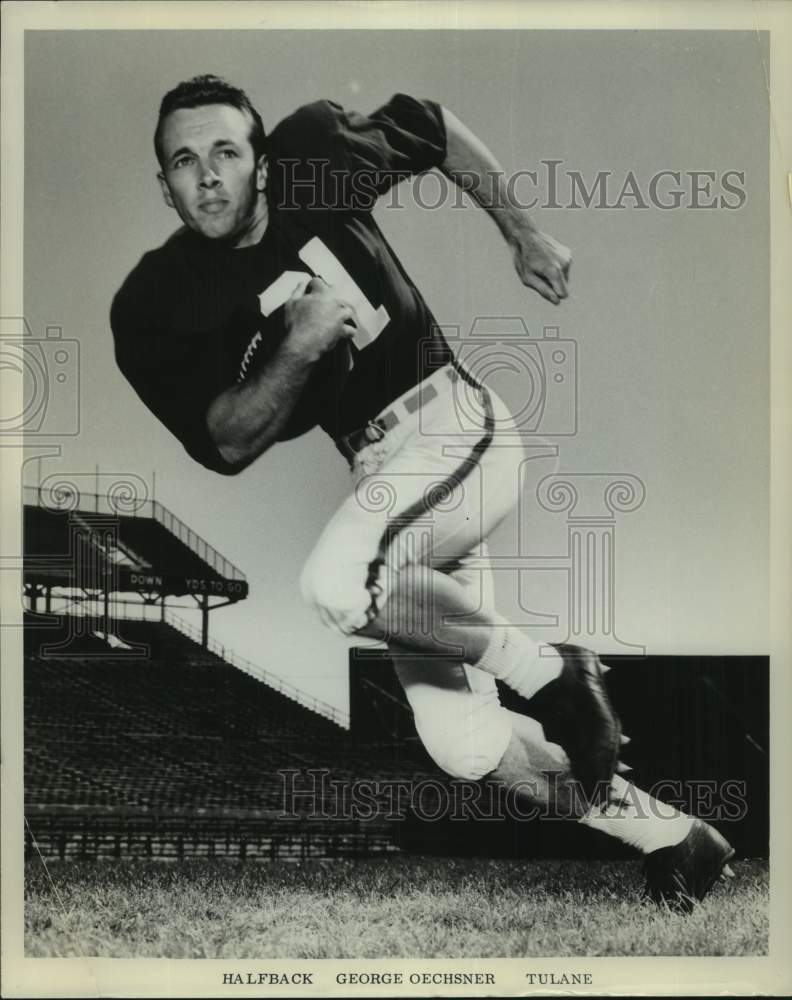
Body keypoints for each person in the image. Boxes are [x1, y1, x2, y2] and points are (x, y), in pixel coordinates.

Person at [111, 74, 734, 912]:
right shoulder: (161, 297)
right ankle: (675, 836)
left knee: (339, 584)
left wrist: (524, 231)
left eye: (226, 150)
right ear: (164, 185)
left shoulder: (314, 158)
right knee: (465, 746)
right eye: (184, 162)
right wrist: (295, 346)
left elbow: (433, 128)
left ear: (261, 158)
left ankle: (554, 673)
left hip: (452, 425)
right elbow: (226, 440)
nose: (209, 174)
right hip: (381, 477)